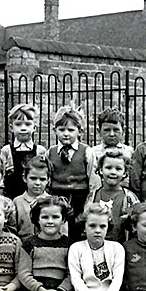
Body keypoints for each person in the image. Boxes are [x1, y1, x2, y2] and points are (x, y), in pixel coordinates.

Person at [46, 103, 99, 241]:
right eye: (61, 129)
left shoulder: (86, 152)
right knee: (58, 234)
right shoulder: (50, 153)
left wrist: (88, 205)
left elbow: (93, 181)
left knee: (78, 235)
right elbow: (47, 179)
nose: (66, 134)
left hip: (79, 199)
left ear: (79, 131)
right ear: (54, 130)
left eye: (70, 129)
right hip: (57, 198)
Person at [85, 150, 139, 243]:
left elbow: (137, 222)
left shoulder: (129, 197)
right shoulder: (92, 196)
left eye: (118, 169)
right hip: (97, 244)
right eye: (108, 168)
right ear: (101, 170)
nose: (113, 172)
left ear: (125, 173)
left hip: (121, 245)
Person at [0, 104, 47, 200]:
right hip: (11, 195)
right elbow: (1, 175)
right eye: (18, 124)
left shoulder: (40, 151)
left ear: (34, 128)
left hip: (35, 197)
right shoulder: (6, 150)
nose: (23, 128)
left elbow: (45, 175)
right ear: (11, 128)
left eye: (28, 124)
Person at [90, 108, 134, 189]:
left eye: (116, 130)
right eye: (107, 130)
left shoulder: (129, 152)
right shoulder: (93, 152)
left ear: (123, 130)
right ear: (99, 131)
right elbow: (92, 176)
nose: (111, 134)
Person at [13, 155, 52, 241]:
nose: (37, 183)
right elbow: (12, 231)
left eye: (42, 179)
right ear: (24, 178)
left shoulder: (53, 203)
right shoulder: (17, 202)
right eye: (33, 178)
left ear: (48, 180)